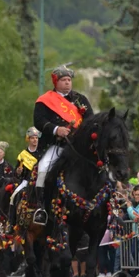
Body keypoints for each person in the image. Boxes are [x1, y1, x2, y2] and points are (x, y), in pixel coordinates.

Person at [33, 65, 93, 200]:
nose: (67, 82)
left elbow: (90, 121)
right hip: (56, 145)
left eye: (69, 80)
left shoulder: (81, 100)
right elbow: (38, 121)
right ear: (56, 82)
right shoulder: (45, 100)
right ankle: (40, 207)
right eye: (63, 80)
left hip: (78, 148)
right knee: (43, 169)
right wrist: (56, 130)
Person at [7, 127, 44, 234]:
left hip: (40, 181)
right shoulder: (23, 155)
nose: (35, 140)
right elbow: (16, 173)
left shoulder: (42, 153)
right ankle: (11, 223)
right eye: (32, 138)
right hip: (26, 181)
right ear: (28, 139)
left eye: (36, 138)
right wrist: (19, 171)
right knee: (13, 196)